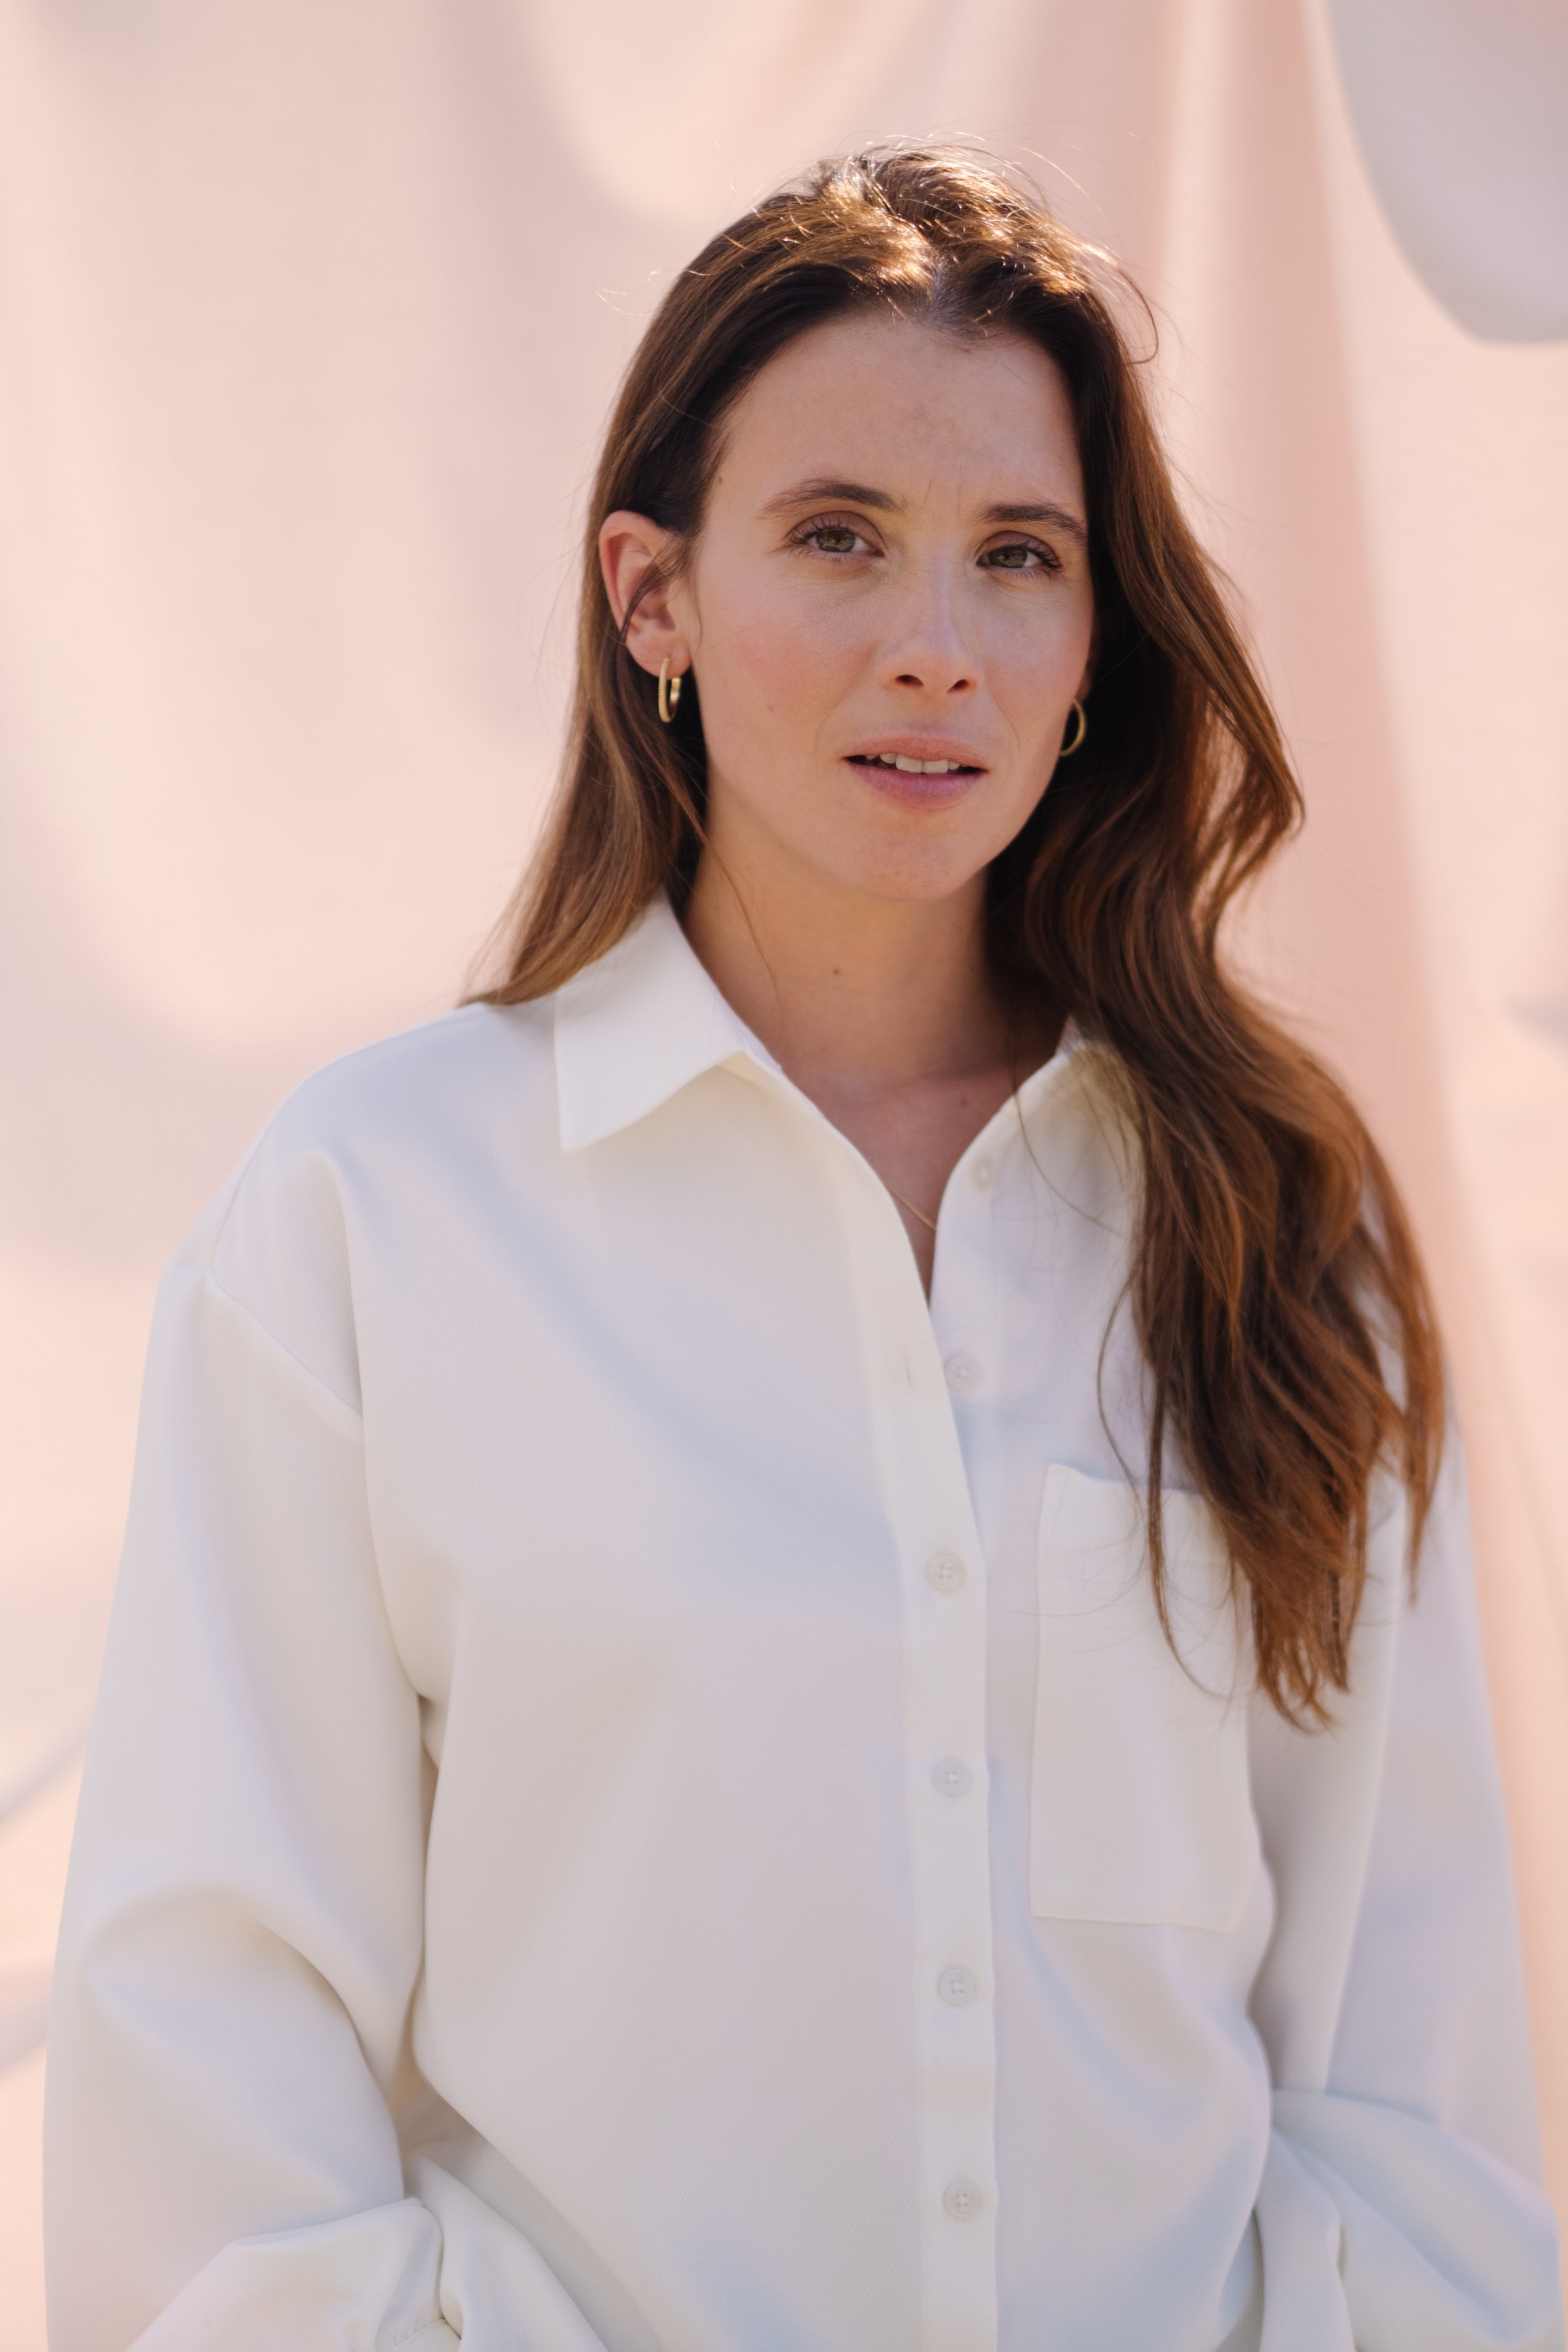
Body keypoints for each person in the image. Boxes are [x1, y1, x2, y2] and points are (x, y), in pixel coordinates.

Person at [43, 146, 1561, 2352]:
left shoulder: (1264, 1228)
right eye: (837, 536)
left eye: (1016, 556)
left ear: (1091, 641)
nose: (934, 647)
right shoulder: (376, 1215)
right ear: (649, 595)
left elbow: (1408, 2060)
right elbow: (210, 2054)